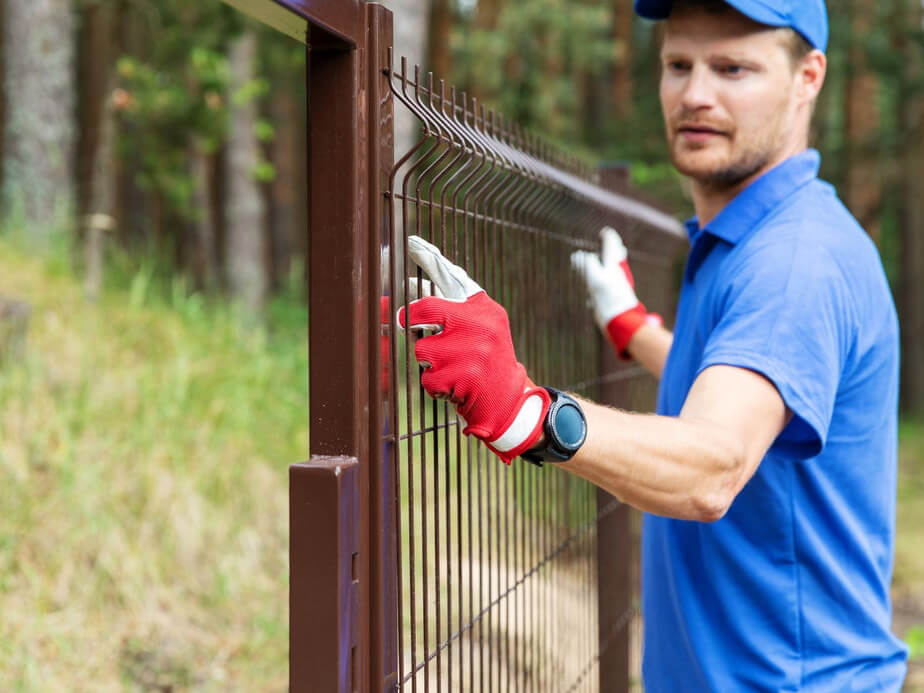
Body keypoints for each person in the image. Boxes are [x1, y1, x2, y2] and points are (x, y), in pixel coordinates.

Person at [396, 0, 909, 689]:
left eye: (733, 68)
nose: (696, 94)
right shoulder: (749, 237)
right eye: (678, 64)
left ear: (807, 77)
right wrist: (636, 331)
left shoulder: (793, 262)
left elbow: (716, 464)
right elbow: (747, 389)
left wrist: (528, 412)